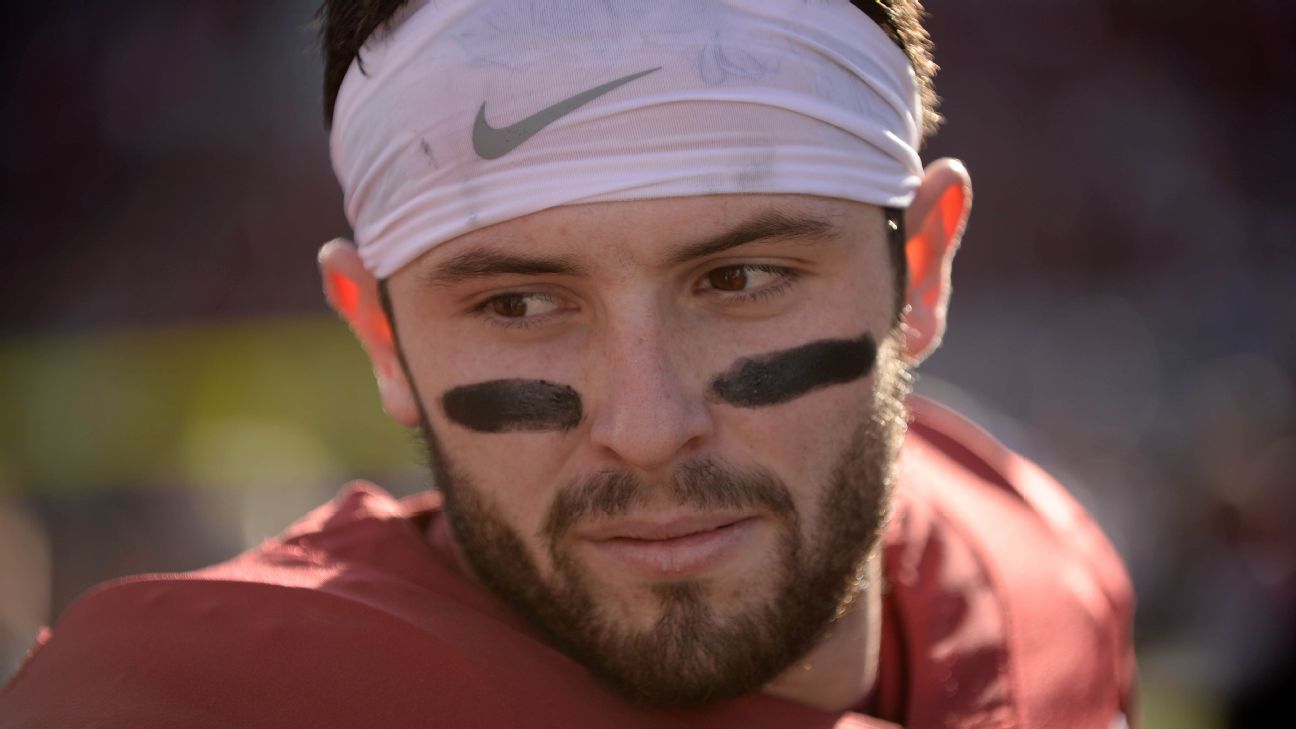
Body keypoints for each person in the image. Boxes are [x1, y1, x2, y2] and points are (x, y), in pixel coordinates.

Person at [0, 1, 1137, 727]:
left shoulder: (1047, 588)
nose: (646, 425)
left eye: (742, 278)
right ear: (381, 336)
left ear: (922, 269)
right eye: (519, 303)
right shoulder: (186, 704)